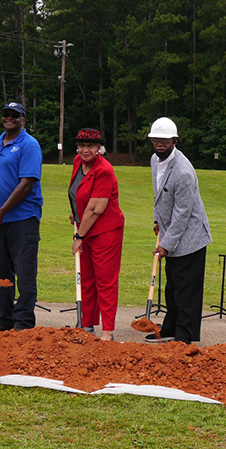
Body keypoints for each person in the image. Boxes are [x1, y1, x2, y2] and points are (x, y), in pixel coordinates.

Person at [146, 117, 212, 344]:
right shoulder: (155, 160)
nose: (159, 144)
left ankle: (185, 334)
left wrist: (166, 244)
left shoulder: (183, 171)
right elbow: (160, 195)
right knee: (173, 285)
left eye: (165, 140)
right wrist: (157, 221)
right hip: (172, 230)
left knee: (187, 288)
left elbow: (183, 213)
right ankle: (170, 328)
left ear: (174, 141)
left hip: (191, 235)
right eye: (156, 139)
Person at [0, 101, 43, 331]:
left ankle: (24, 322)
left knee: (24, 273)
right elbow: (2, 172)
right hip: (0, 220)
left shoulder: (29, 145)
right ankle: (4, 317)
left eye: (15, 115)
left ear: (23, 120)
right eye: (6, 114)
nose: (10, 118)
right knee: (0, 270)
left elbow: (26, 183)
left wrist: (1, 212)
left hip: (22, 220)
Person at [68, 129, 125, 341]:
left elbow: (96, 208)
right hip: (85, 227)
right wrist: (75, 214)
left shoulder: (104, 170)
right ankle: (87, 325)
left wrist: (79, 238)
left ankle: (107, 332)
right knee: (87, 279)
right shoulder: (77, 162)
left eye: (90, 146)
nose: (85, 149)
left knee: (105, 280)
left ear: (99, 148)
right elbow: (77, 192)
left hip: (105, 232)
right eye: (82, 145)